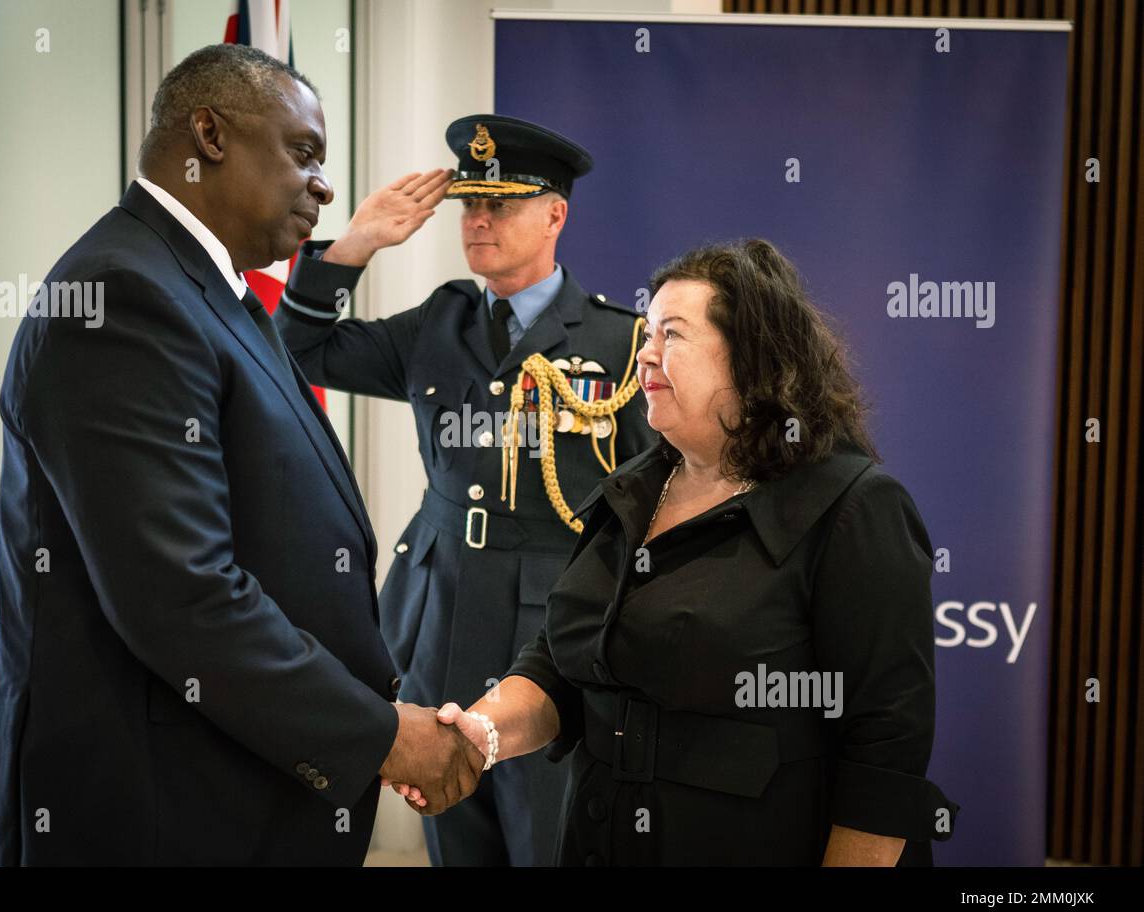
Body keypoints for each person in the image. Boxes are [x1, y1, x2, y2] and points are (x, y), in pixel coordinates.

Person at [0, 43, 482, 866]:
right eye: (304, 153)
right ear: (208, 134)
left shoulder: (210, 291)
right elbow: (182, 595)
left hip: (234, 784)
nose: (322, 183)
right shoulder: (122, 296)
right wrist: (381, 735)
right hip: (160, 805)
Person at [390, 239, 961, 866]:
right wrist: (484, 733)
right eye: (647, 332)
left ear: (752, 358)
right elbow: (560, 662)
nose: (645, 353)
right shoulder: (634, 485)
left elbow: (885, 751)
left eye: (673, 334)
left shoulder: (852, 506)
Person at [275, 114, 658, 866]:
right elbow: (296, 350)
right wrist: (356, 245)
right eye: (469, 206)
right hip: (439, 616)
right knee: (452, 832)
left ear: (555, 215)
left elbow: (657, 496)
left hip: (548, 638)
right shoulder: (439, 322)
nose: (478, 222)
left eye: (502, 205)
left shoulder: (622, 343)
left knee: (545, 839)